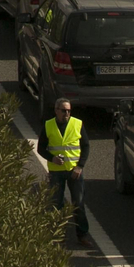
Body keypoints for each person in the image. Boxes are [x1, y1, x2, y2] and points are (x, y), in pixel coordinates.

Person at [38, 98, 92, 247]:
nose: (66, 113)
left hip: (74, 171)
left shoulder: (77, 124)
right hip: (56, 172)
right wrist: (52, 158)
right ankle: (58, 235)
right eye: (63, 110)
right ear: (56, 110)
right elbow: (40, 148)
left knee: (79, 204)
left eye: (68, 110)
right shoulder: (48, 125)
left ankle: (82, 235)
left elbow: (86, 146)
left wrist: (80, 166)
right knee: (56, 204)